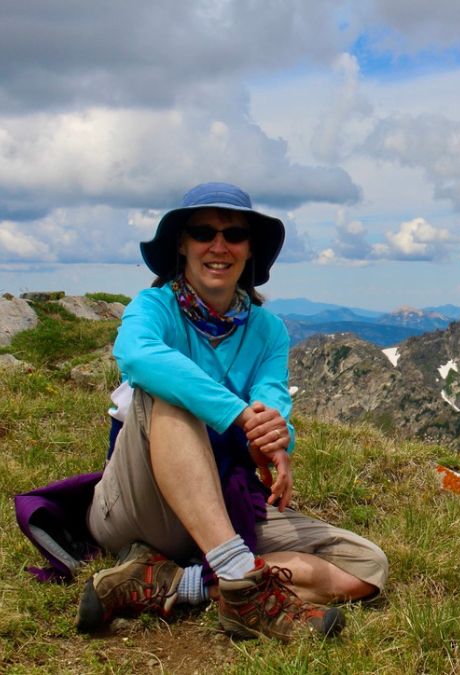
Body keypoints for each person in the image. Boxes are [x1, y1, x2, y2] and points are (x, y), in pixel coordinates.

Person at [76, 182, 388, 642]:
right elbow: (138, 357)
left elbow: (271, 399)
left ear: (249, 250)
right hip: (139, 509)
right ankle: (242, 584)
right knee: (170, 397)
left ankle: (180, 583)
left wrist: (276, 439)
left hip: (222, 507)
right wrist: (240, 418)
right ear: (181, 245)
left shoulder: (267, 331)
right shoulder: (153, 307)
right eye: (203, 232)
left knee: (366, 566)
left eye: (234, 235)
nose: (218, 246)